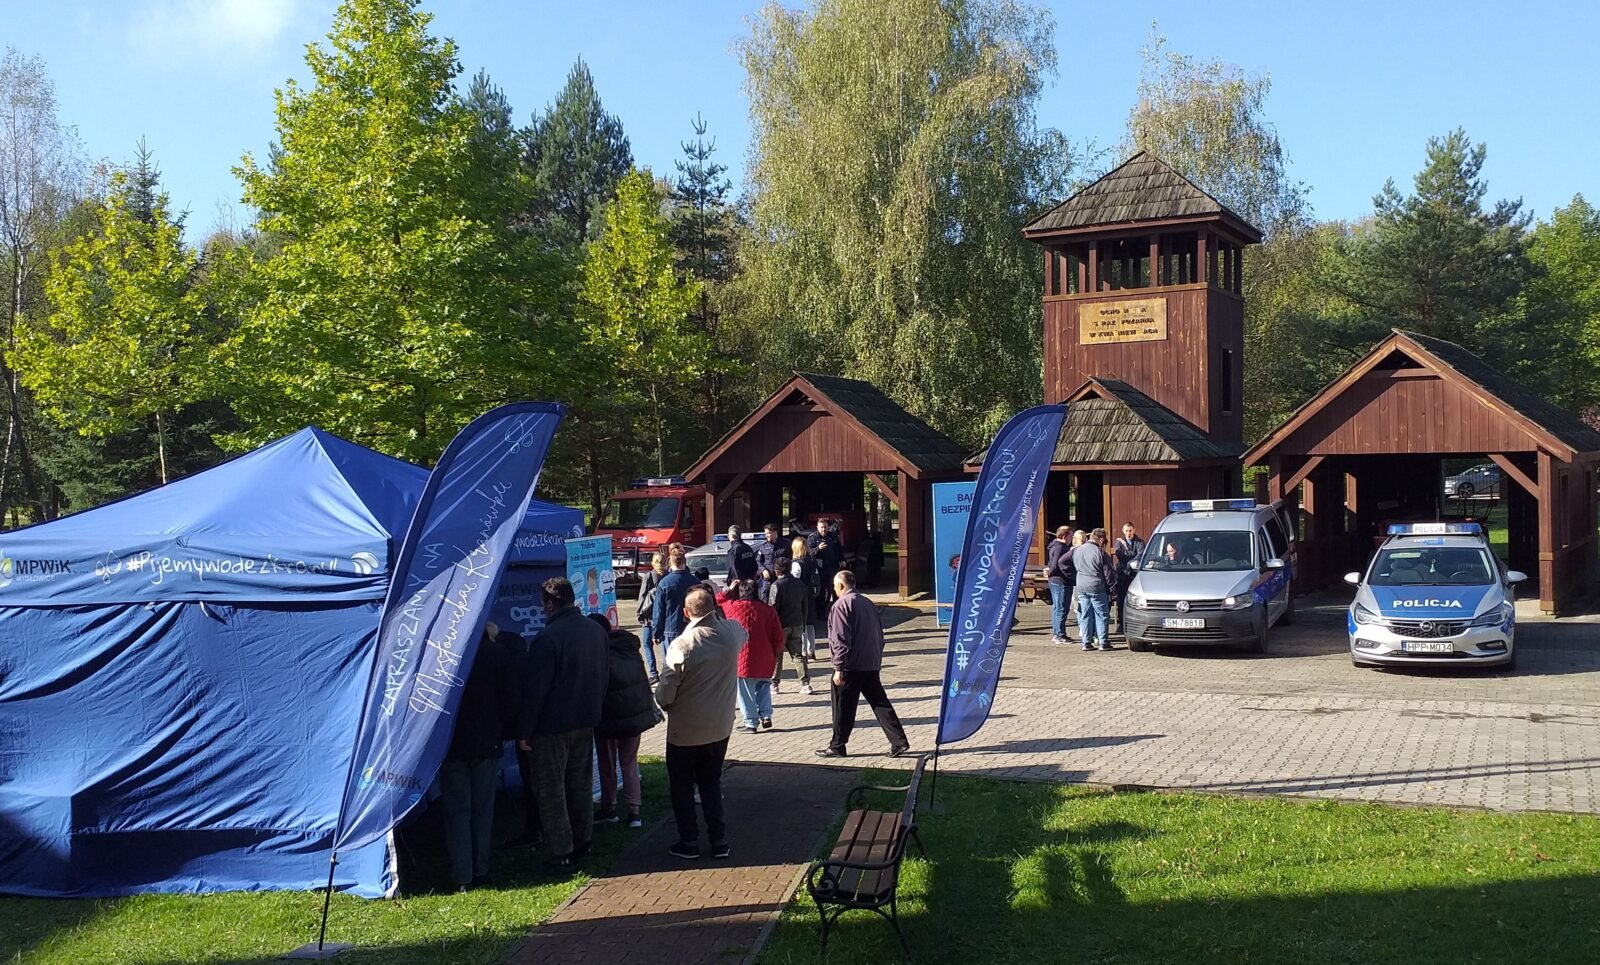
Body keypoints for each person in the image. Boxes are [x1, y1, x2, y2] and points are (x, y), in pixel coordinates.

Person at [517, 578, 609, 869]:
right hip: (586, 719)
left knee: (551, 790)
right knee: (580, 784)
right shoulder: (595, 631)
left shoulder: (548, 638)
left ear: (549, 605)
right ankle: (583, 840)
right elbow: (603, 675)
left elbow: (536, 691)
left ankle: (561, 850)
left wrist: (524, 730)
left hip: (552, 726)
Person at [656, 585, 745, 860]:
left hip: (685, 731)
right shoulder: (732, 633)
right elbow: (743, 632)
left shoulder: (682, 645)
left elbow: (664, 695)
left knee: (682, 786)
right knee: (711, 783)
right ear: (714, 608)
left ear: (685, 613)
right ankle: (719, 840)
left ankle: (689, 840)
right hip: (720, 727)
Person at [440, 628, 518, 890]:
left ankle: (462, 875)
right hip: (487, 742)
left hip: (452, 744)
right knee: (483, 809)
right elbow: (510, 700)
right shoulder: (497, 654)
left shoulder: (444, 655)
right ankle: (481, 869)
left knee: (457, 811)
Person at [815, 570, 910, 759]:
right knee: (880, 703)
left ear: (841, 585)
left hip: (851, 664)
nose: (834, 589)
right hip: (870, 662)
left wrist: (838, 667)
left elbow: (840, 638)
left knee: (843, 706)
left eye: (834, 585)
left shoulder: (841, 605)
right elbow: (879, 634)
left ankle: (837, 745)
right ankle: (899, 741)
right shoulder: (867, 603)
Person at [591, 613, 660, 830]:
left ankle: (609, 808)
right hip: (633, 718)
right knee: (629, 763)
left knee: (607, 765)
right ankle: (634, 812)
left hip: (608, 719)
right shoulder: (630, 649)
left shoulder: (598, 655)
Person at [723, 579, 785, 732]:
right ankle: (766, 715)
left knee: (745, 692)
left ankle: (751, 722)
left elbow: (718, 601)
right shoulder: (768, 610)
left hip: (743, 657)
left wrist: (728, 590)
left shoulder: (732, 607)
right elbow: (778, 636)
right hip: (766, 656)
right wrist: (776, 653)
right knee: (764, 687)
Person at [770, 556, 816, 695]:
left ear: (777, 571)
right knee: (798, 655)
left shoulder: (776, 585)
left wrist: (771, 627)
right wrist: (803, 623)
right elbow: (805, 606)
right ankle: (806, 684)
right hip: (797, 623)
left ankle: (774, 684)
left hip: (781, 625)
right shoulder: (800, 584)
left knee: (777, 656)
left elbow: (772, 608)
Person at [1071, 528, 1118, 652]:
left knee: (1085, 614)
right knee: (1101, 615)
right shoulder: (1100, 552)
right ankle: (1103, 642)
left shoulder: (1077, 550)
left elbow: (1064, 562)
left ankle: (1086, 642)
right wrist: (1113, 590)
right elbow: (1108, 573)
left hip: (1081, 585)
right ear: (1101, 539)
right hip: (1097, 586)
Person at [651, 546, 697, 656]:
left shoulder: (664, 583)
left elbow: (658, 611)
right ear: (685, 562)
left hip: (671, 629)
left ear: (670, 563)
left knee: (671, 663)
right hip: (692, 628)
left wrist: (656, 633)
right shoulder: (695, 582)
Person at [637, 551, 666, 683]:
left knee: (647, 644)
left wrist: (640, 614)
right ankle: (666, 670)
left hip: (649, 616)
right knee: (665, 644)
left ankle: (653, 673)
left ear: (653, 563)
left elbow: (642, 597)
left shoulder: (649, 576)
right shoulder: (668, 575)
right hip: (663, 616)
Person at [1112, 522, 1145, 635]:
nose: (1128, 533)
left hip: (1134, 574)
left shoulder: (1139, 542)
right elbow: (1121, 555)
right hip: (1122, 574)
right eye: (1126, 531)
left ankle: (1135, 623)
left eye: (1130, 530)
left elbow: (1140, 555)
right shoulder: (1119, 542)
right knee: (1121, 600)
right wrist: (1131, 560)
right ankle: (1121, 624)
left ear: (1134, 530)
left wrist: (1131, 559)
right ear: (1123, 530)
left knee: (1135, 599)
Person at [1045, 526, 1073, 646]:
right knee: (1061, 608)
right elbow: (1056, 564)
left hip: (1055, 580)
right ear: (1064, 536)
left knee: (1057, 607)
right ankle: (1059, 634)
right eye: (1071, 536)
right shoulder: (1060, 547)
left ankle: (1059, 632)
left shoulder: (1054, 545)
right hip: (1061, 581)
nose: (1071, 539)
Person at [755, 523, 783, 594]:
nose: (766, 535)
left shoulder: (786, 544)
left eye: (768, 533)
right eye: (765, 533)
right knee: (765, 596)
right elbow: (758, 561)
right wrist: (763, 570)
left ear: (775, 532)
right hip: (767, 579)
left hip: (781, 578)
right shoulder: (763, 546)